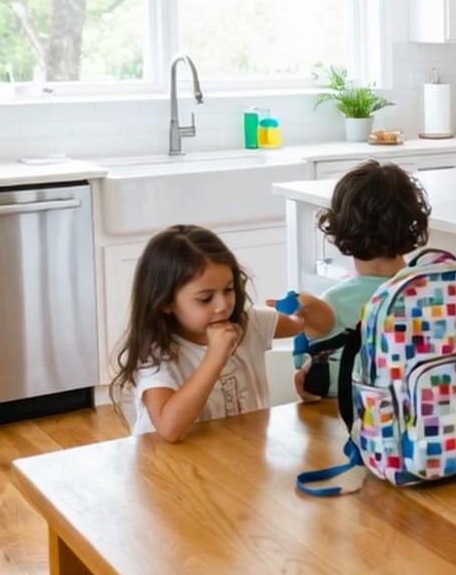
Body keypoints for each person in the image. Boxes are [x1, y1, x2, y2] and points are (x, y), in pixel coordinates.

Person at [110, 224, 334, 442]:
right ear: (166, 302)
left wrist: (306, 302)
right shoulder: (156, 353)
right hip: (172, 463)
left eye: (228, 289)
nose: (222, 305)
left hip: (239, 453)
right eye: (205, 298)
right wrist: (215, 357)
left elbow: (318, 325)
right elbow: (169, 429)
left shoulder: (249, 323)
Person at [295, 160, 432, 401]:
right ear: (413, 223)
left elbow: (308, 375)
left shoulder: (332, 304)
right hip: (424, 411)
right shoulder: (431, 289)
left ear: (340, 227)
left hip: (349, 418)